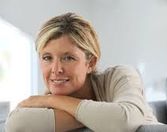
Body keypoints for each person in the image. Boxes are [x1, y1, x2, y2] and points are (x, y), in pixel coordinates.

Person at [4, 12, 158, 132]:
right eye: (47, 58)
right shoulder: (42, 107)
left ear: (90, 63)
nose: (56, 69)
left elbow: (125, 121)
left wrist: (51, 100)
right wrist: (103, 117)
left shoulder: (120, 76)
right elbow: (16, 124)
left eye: (68, 58)